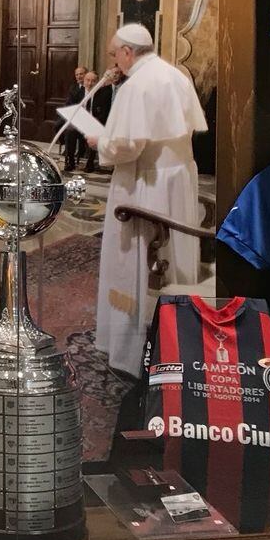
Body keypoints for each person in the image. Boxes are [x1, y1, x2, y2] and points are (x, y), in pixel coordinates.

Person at [86, 23, 208, 377]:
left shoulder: (137, 85)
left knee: (133, 262)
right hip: (178, 179)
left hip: (144, 184)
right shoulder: (174, 75)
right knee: (176, 260)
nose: (114, 61)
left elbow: (127, 146)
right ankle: (177, 343)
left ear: (127, 51)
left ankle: (129, 350)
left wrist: (100, 142)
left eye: (114, 54)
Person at [60, 65, 88, 172]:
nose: (79, 76)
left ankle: (79, 151)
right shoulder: (73, 87)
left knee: (70, 130)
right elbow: (69, 103)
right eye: (77, 74)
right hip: (75, 117)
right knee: (62, 127)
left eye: (81, 74)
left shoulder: (92, 88)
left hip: (88, 119)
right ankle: (69, 157)